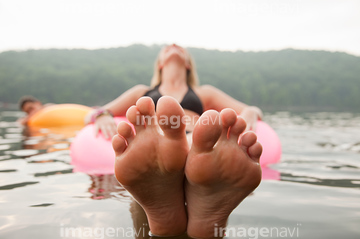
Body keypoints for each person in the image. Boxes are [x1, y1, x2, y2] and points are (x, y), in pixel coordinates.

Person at [87, 44, 263, 238]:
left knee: (192, 149)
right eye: (167, 48)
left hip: (194, 141)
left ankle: (166, 206)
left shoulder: (204, 92)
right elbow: (96, 112)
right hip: (157, 146)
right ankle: (203, 215)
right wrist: (102, 116)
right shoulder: (142, 92)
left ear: (188, 64)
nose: (173, 46)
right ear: (160, 64)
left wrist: (250, 113)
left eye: (180, 48)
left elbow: (250, 109)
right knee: (160, 154)